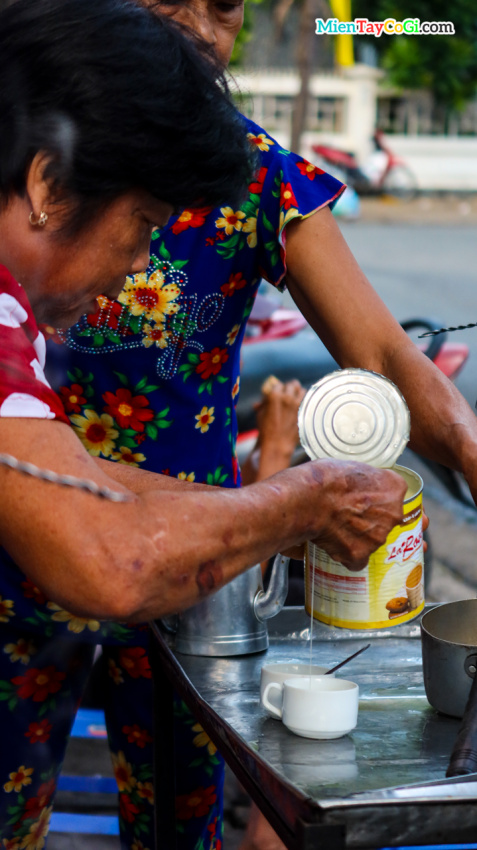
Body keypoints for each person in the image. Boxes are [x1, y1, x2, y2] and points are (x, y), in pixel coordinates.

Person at [0, 0, 407, 847]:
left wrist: (274, 502)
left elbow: (73, 479)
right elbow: (111, 559)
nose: (137, 271)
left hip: (176, 564)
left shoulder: (18, 317)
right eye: (144, 229)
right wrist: (299, 500)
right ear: (46, 186)